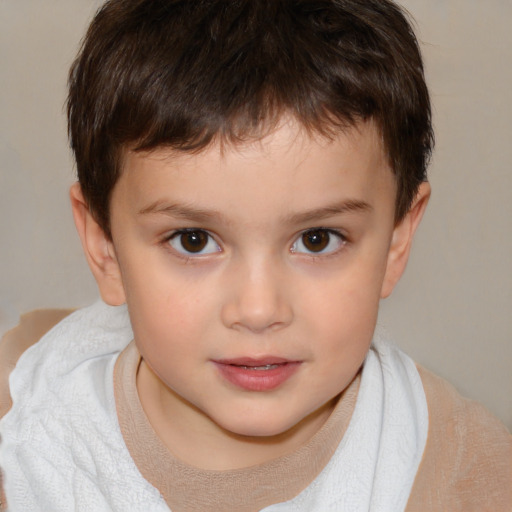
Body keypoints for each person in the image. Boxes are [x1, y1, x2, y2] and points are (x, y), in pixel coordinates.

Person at [0, 0, 510, 510]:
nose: (260, 310)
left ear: (397, 241)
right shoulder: (30, 429)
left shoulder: (462, 474)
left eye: (317, 239)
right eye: (193, 240)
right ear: (104, 246)